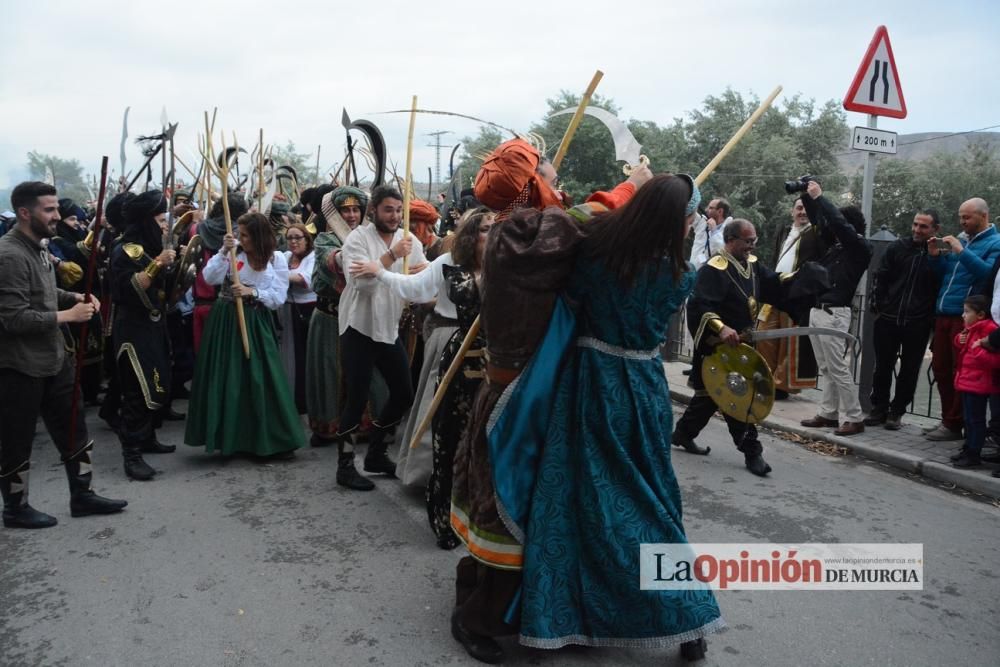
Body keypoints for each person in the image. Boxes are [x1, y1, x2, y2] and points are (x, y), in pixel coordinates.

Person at [493, 174, 724, 659]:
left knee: (573, 497)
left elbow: (567, 295)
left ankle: (558, 617)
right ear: (674, 222)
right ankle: (686, 617)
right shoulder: (679, 274)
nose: (690, 227)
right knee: (651, 499)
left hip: (587, 384)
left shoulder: (595, 253)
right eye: (689, 219)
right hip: (642, 390)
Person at [448, 137, 647, 663]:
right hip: (518, 400)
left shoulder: (529, 231)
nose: (560, 190)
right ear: (532, 187)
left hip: (537, 392)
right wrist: (635, 185)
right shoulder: (517, 235)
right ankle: (477, 621)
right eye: (551, 180)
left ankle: (510, 605)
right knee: (505, 508)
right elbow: (588, 215)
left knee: (525, 509)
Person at [350, 207, 494, 547]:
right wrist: (380, 270)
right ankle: (442, 509)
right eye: (486, 229)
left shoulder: (506, 262)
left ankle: (481, 506)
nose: (494, 235)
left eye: (496, 228)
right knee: (447, 428)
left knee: (487, 433)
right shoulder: (448, 263)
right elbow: (414, 288)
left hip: (494, 357)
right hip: (456, 350)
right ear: (472, 234)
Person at [0, 181, 126, 528]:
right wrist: (69, 316)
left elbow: (42, 291)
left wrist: (71, 298)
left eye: (57, 208)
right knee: (16, 439)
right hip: (19, 365)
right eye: (49, 209)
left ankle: (82, 495)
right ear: (25, 213)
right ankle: (15, 507)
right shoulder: (8, 255)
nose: (57, 215)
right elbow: (13, 318)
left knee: (74, 428)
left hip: (54, 358)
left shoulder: (39, 246)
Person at [184, 212, 305, 459]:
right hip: (225, 321)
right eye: (239, 233)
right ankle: (230, 438)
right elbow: (209, 277)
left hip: (256, 321)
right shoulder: (233, 253)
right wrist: (222, 252)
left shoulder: (276, 258)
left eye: (246, 235)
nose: (242, 239)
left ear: (259, 236)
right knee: (228, 377)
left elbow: (278, 297)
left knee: (261, 377)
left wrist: (252, 292)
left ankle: (269, 437)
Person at [673, 219, 785, 476]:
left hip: (743, 348)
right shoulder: (713, 270)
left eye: (754, 240)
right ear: (731, 241)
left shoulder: (753, 265)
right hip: (717, 347)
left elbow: (774, 285)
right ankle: (752, 453)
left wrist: (798, 279)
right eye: (748, 241)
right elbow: (699, 305)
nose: (752, 246)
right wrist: (721, 328)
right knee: (738, 397)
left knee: (707, 399)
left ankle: (682, 434)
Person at [335, 185, 427, 489]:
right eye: (389, 210)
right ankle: (345, 465)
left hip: (388, 327)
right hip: (358, 326)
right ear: (373, 210)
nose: (395, 216)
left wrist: (420, 272)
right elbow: (361, 284)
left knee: (403, 392)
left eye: (399, 210)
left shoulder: (408, 239)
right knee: (357, 397)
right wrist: (389, 258)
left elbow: (419, 276)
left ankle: (376, 451)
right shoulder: (357, 239)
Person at [304, 187, 388, 464]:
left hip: (363, 317)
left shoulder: (374, 239)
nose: (352, 215)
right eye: (345, 211)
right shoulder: (324, 240)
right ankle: (330, 429)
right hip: (330, 319)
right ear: (335, 214)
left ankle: (372, 426)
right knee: (331, 372)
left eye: (356, 210)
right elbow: (337, 263)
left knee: (371, 373)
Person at [109, 190, 178, 480]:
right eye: (161, 220)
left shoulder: (148, 247)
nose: (165, 226)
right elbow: (131, 287)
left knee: (155, 384)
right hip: (133, 330)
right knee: (136, 391)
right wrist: (159, 263)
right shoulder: (123, 250)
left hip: (154, 326)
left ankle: (147, 438)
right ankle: (132, 455)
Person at [798, 181, 872, 436]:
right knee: (826, 368)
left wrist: (821, 197)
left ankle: (854, 417)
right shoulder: (837, 247)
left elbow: (838, 225)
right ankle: (828, 413)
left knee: (838, 368)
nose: (833, 227)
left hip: (834, 313)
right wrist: (807, 197)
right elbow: (822, 224)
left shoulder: (860, 248)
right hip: (819, 310)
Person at [924, 198, 1000, 441]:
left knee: (962, 371)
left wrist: (960, 250)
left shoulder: (995, 243)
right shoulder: (961, 238)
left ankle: (956, 424)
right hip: (944, 311)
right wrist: (936, 258)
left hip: (966, 317)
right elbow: (947, 275)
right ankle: (948, 420)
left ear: (983, 216)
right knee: (941, 369)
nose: (962, 222)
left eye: (967, 217)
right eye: (961, 217)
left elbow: (988, 275)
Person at [866, 210, 941, 429]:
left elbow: (938, 286)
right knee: (882, 366)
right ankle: (878, 408)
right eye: (916, 224)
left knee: (909, 369)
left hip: (918, 322)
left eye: (924, 226)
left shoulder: (938, 255)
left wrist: (930, 319)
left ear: (935, 229)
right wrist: (877, 306)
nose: (917, 230)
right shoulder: (897, 247)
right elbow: (881, 276)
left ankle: (897, 411)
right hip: (888, 317)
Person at [756, 197, 825, 398]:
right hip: (776, 290)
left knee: (789, 340)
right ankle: (765, 378)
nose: (802, 212)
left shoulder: (816, 232)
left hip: (796, 294)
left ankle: (780, 386)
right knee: (763, 334)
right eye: (799, 207)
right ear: (792, 211)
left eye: (806, 208)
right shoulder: (784, 231)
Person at [949, 295, 1000, 468]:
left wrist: (976, 349)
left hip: (979, 383)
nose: (963, 315)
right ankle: (968, 448)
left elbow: (994, 360)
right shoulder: (971, 328)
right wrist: (959, 340)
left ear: (980, 314)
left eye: (966, 312)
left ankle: (974, 454)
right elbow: (963, 347)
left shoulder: (989, 330)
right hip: (967, 380)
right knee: (969, 419)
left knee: (976, 420)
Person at [281, 222, 316, 414]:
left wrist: (280, 273)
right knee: (290, 357)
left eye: (298, 237)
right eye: (290, 238)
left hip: (308, 311)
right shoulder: (285, 257)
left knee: (304, 358)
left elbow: (306, 281)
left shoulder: (313, 257)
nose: (293, 242)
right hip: (288, 311)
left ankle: (304, 400)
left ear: (306, 239)